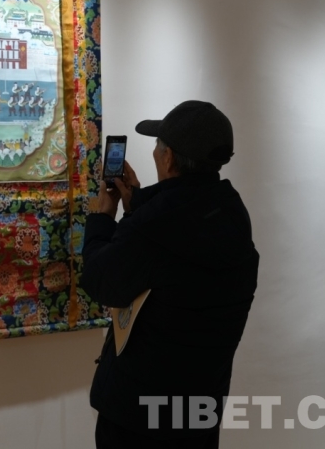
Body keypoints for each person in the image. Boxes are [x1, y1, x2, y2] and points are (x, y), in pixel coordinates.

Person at [81, 100, 259, 449]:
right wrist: (139, 203)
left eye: (157, 146)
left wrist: (102, 219)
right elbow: (182, 230)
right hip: (198, 410)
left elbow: (101, 281)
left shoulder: (153, 228)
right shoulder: (232, 211)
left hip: (138, 420)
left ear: (168, 159)